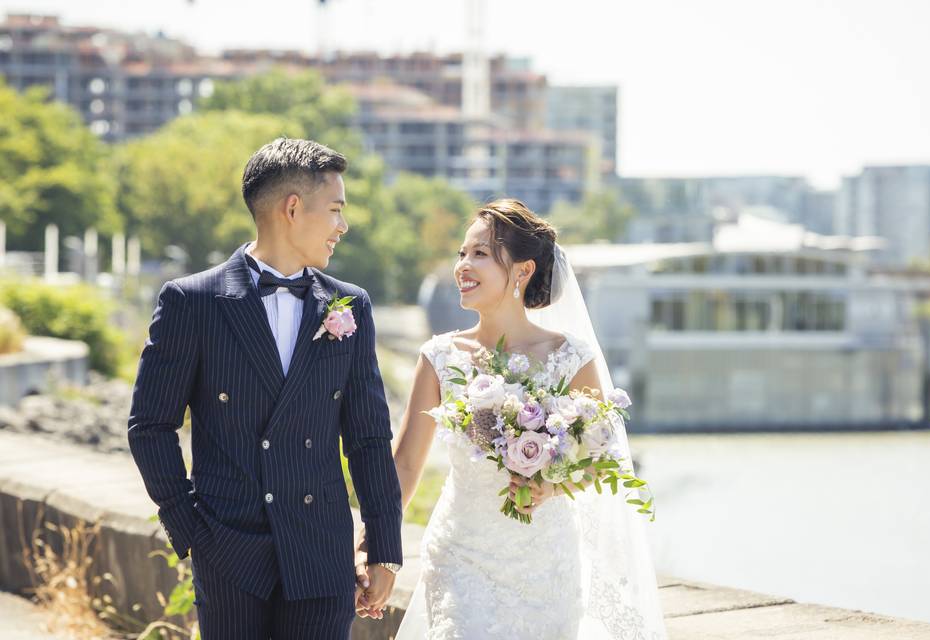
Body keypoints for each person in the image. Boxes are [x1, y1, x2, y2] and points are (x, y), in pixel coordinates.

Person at [128, 138, 403, 639]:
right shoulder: (193, 301)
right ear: (292, 208)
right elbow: (150, 425)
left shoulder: (350, 305)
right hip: (229, 553)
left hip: (322, 554)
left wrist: (383, 547)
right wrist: (188, 527)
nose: (343, 226)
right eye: (336, 210)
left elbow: (368, 437)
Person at [359, 199, 668, 638]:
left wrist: (551, 483)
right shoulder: (439, 357)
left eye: (480, 254)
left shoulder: (571, 357)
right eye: (462, 253)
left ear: (522, 271)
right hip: (459, 555)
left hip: (546, 565)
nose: (463, 265)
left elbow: (601, 462)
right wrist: (377, 548)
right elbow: (405, 466)